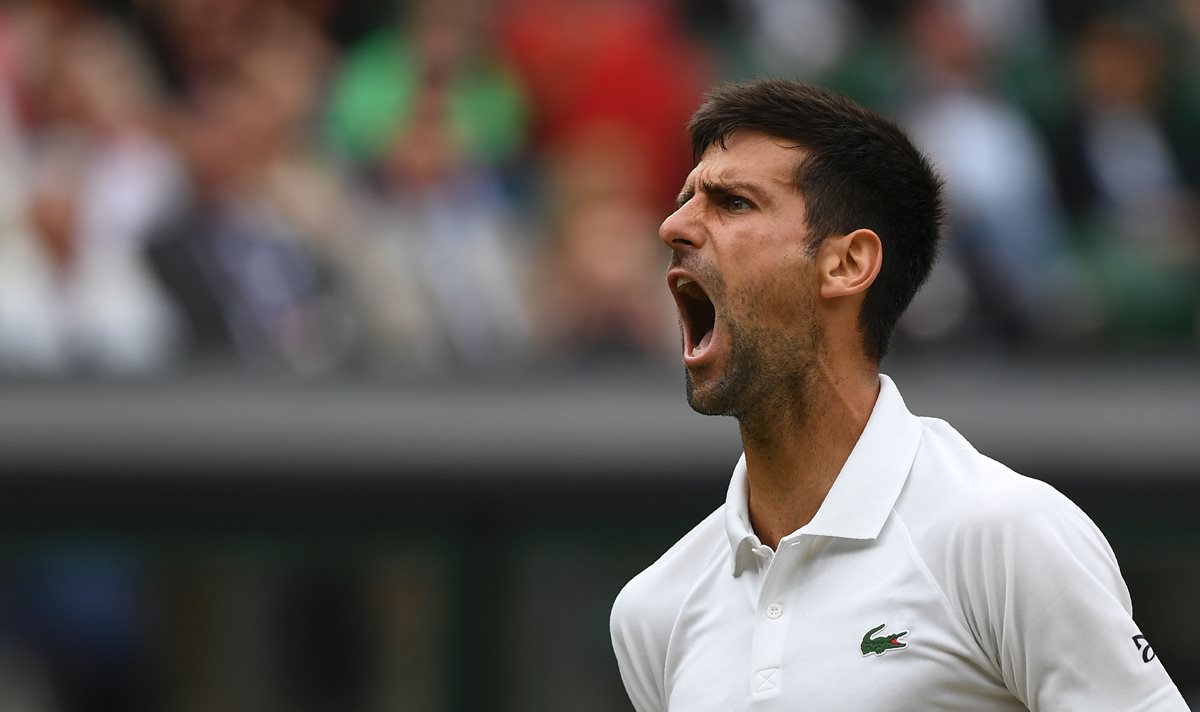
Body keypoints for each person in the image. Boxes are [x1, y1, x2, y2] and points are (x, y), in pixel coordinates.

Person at [609, 79, 1188, 711]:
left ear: (847, 263)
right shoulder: (653, 612)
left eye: (732, 202)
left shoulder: (1006, 534)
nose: (673, 226)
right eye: (685, 198)